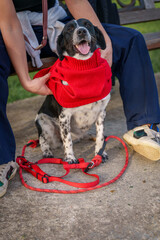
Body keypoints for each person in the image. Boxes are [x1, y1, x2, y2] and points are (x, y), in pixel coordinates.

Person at [0, 0, 160, 197]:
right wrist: (26, 80)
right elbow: (8, 23)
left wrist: (106, 44)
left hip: (55, 22)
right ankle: (1, 159)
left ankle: (143, 126)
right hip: (11, 31)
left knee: (130, 38)